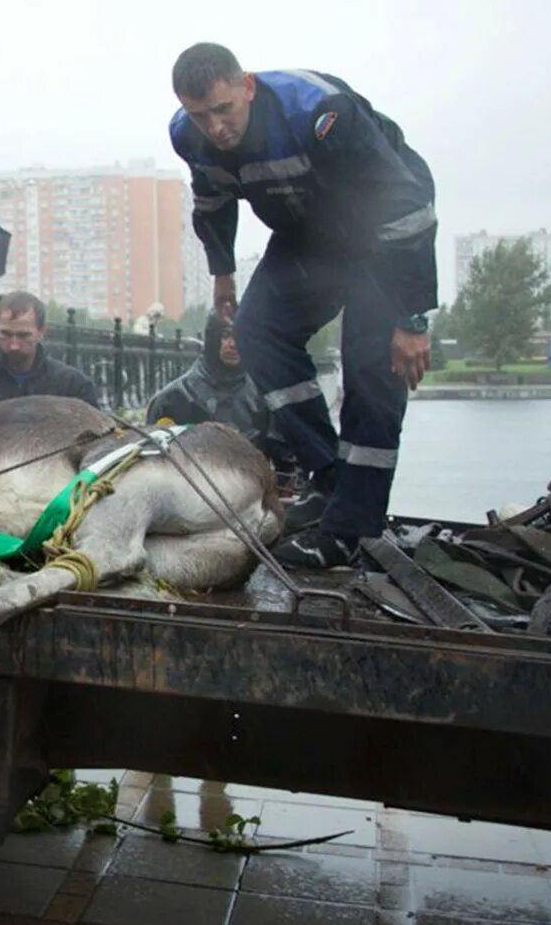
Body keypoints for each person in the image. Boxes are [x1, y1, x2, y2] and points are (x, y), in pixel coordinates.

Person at [169, 43, 437, 568]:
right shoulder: (187, 135)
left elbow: (406, 211)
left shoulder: (319, 112)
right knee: (256, 332)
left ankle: (349, 531)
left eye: (224, 110)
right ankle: (332, 478)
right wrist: (222, 275)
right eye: (202, 115)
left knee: (369, 365)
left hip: (379, 229)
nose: (216, 127)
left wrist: (411, 317)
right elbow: (213, 202)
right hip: (310, 232)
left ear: (247, 86)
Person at [147, 316, 289, 466]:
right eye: (226, 335)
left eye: (240, 335)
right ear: (212, 339)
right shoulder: (172, 399)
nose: (233, 344)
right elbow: (153, 463)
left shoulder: (263, 397)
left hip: (248, 483)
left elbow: (282, 461)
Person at [0, 291, 97, 411]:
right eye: (6, 334)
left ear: (42, 332)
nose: (14, 345)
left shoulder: (74, 387)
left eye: (23, 335)